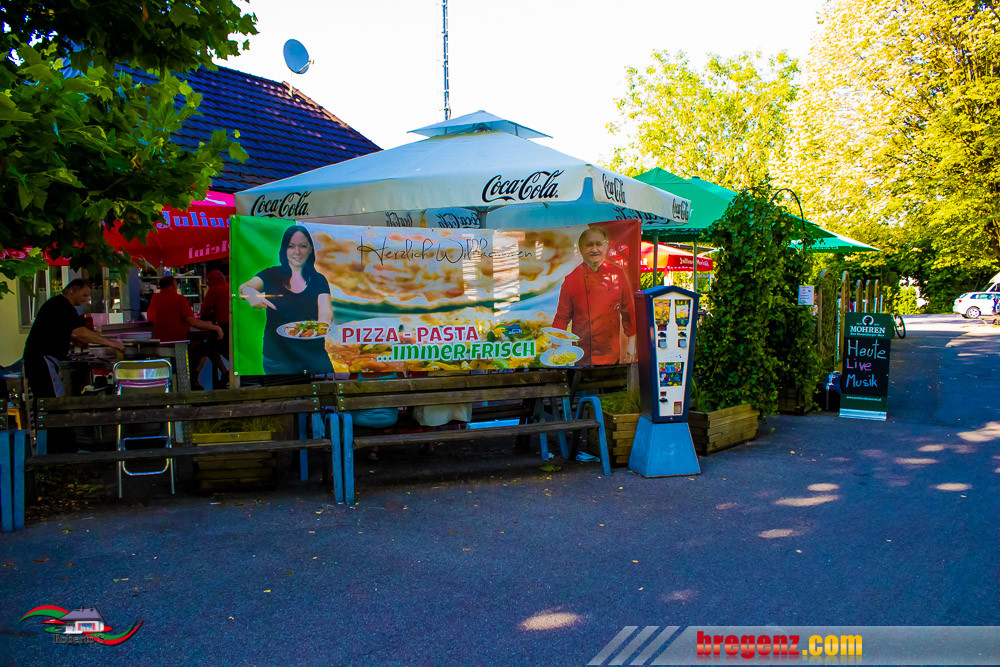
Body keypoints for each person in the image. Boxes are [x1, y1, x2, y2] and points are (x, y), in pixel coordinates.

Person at [238, 224, 334, 374]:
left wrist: (324, 323)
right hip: (278, 358)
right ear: (284, 249)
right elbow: (244, 288)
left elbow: (325, 311)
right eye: (291, 246)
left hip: (313, 356)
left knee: (329, 387)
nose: (297, 252)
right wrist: (250, 294)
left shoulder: (318, 279)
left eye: (303, 246)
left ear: (310, 249)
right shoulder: (271, 274)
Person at [22, 279, 125, 398]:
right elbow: (82, 333)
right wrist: (111, 343)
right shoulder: (63, 306)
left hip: (39, 359)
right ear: (72, 290)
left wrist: (73, 340)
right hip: (42, 359)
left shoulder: (58, 303)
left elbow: (55, 330)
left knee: (49, 397)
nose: (86, 299)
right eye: (84, 295)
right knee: (52, 400)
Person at [552, 226, 636, 366]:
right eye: (589, 245)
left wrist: (632, 344)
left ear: (606, 246)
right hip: (583, 354)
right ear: (581, 249)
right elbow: (562, 317)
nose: (594, 249)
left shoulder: (618, 275)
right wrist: (555, 344)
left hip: (611, 354)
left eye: (599, 244)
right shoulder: (571, 280)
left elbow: (629, 311)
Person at [147, 275, 224, 389]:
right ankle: (194, 378)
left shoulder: (154, 299)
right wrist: (214, 327)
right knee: (206, 349)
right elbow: (192, 321)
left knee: (202, 348)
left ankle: (195, 379)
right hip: (180, 345)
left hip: (160, 346)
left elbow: (150, 319)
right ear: (173, 284)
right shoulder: (179, 299)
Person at [195, 269, 231, 387]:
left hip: (224, 328)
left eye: (208, 280)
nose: (207, 283)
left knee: (209, 348)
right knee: (223, 349)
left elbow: (203, 312)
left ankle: (225, 372)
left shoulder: (214, 290)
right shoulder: (230, 287)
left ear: (213, 280)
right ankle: (229, 372)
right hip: (235, 327)